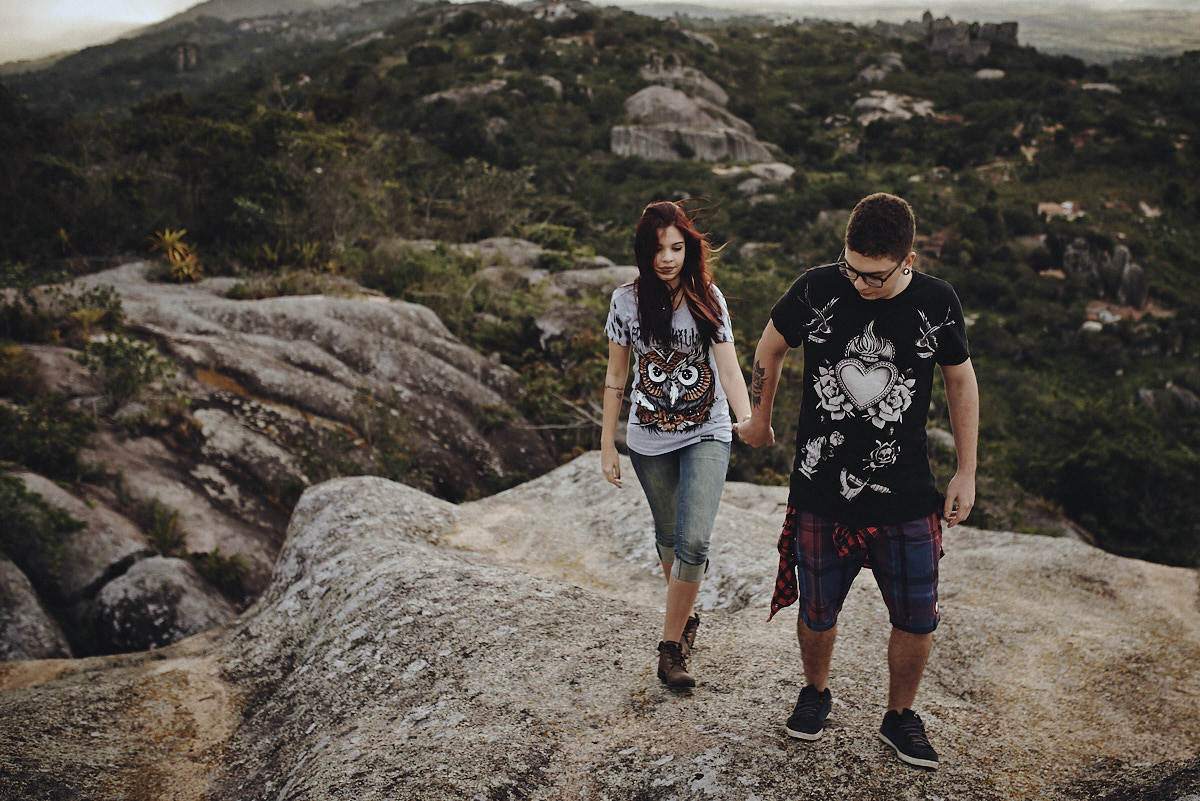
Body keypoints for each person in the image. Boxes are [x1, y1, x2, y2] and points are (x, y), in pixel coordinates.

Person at [738, 193, 979, 769]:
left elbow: (960, 383)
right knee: (817, 609)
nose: (860, 283)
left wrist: (966, 471)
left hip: (908, 495)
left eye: (874, 276)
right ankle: (815, 693)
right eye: (851, 268)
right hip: (822, 491)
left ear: (908, 261)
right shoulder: (818, 288)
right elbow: (768, 348)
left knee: (917, 617)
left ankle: (899, 717)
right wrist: (760, 417)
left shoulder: (936, 302)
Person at [600, 200, 766, 689]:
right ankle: (685, 616)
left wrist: (747, 419)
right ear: (642, 252)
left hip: (706, 430)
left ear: (688, 249)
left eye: (676, 248)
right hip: (648, 437)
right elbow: (615, 375)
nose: (667, 258)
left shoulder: (707, 297)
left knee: (695, 540)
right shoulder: (625, 301)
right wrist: (607, 444)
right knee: (670, 540)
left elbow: (730, 368)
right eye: (657, 249)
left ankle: (670, 649)